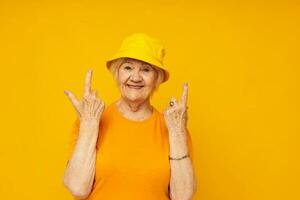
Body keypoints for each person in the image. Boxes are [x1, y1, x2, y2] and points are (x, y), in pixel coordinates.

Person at [63, 33, 196, 200]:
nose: (135, 77)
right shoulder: (90, 119)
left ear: (157, 79)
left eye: (146, 69)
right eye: (128, 67)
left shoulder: (174, 128)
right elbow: (77, 188)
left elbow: (182, 196)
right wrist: (89, 125)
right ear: (117, 73)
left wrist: (177, 133)